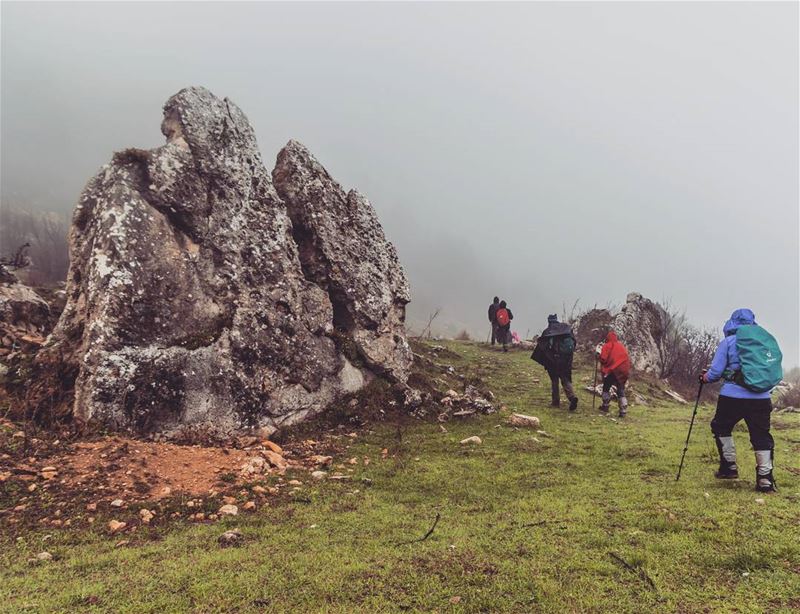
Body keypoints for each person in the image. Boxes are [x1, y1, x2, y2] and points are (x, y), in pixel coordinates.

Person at [700, 309, 779, 493]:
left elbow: (715, 373)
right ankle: (765, 480)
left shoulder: (728, 342)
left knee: (721, 426)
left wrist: (705, 378)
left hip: (732, 397)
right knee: (761, 436)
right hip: (761, 398)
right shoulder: (763, 343)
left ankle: (729, 468)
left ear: (732, 323)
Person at [532, 314, 578, 410]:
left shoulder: (548, 331)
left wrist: (546, 360)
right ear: (556, 320)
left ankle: (555, 402)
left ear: (549, 321)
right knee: (565, 379)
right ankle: (572, 397)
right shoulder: (566, 328)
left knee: (554, 381)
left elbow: (543, 347)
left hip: (554, 361)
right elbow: (574, 342)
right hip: (566, 360)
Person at [596, 331, 631, 417]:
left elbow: (603, 358)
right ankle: (623, 410)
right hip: (623, 370)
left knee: (606, 386)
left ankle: (605, 405)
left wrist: (598, 356)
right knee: (620, 388)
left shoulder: (607, 345)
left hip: (612, 369)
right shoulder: (621, 346)